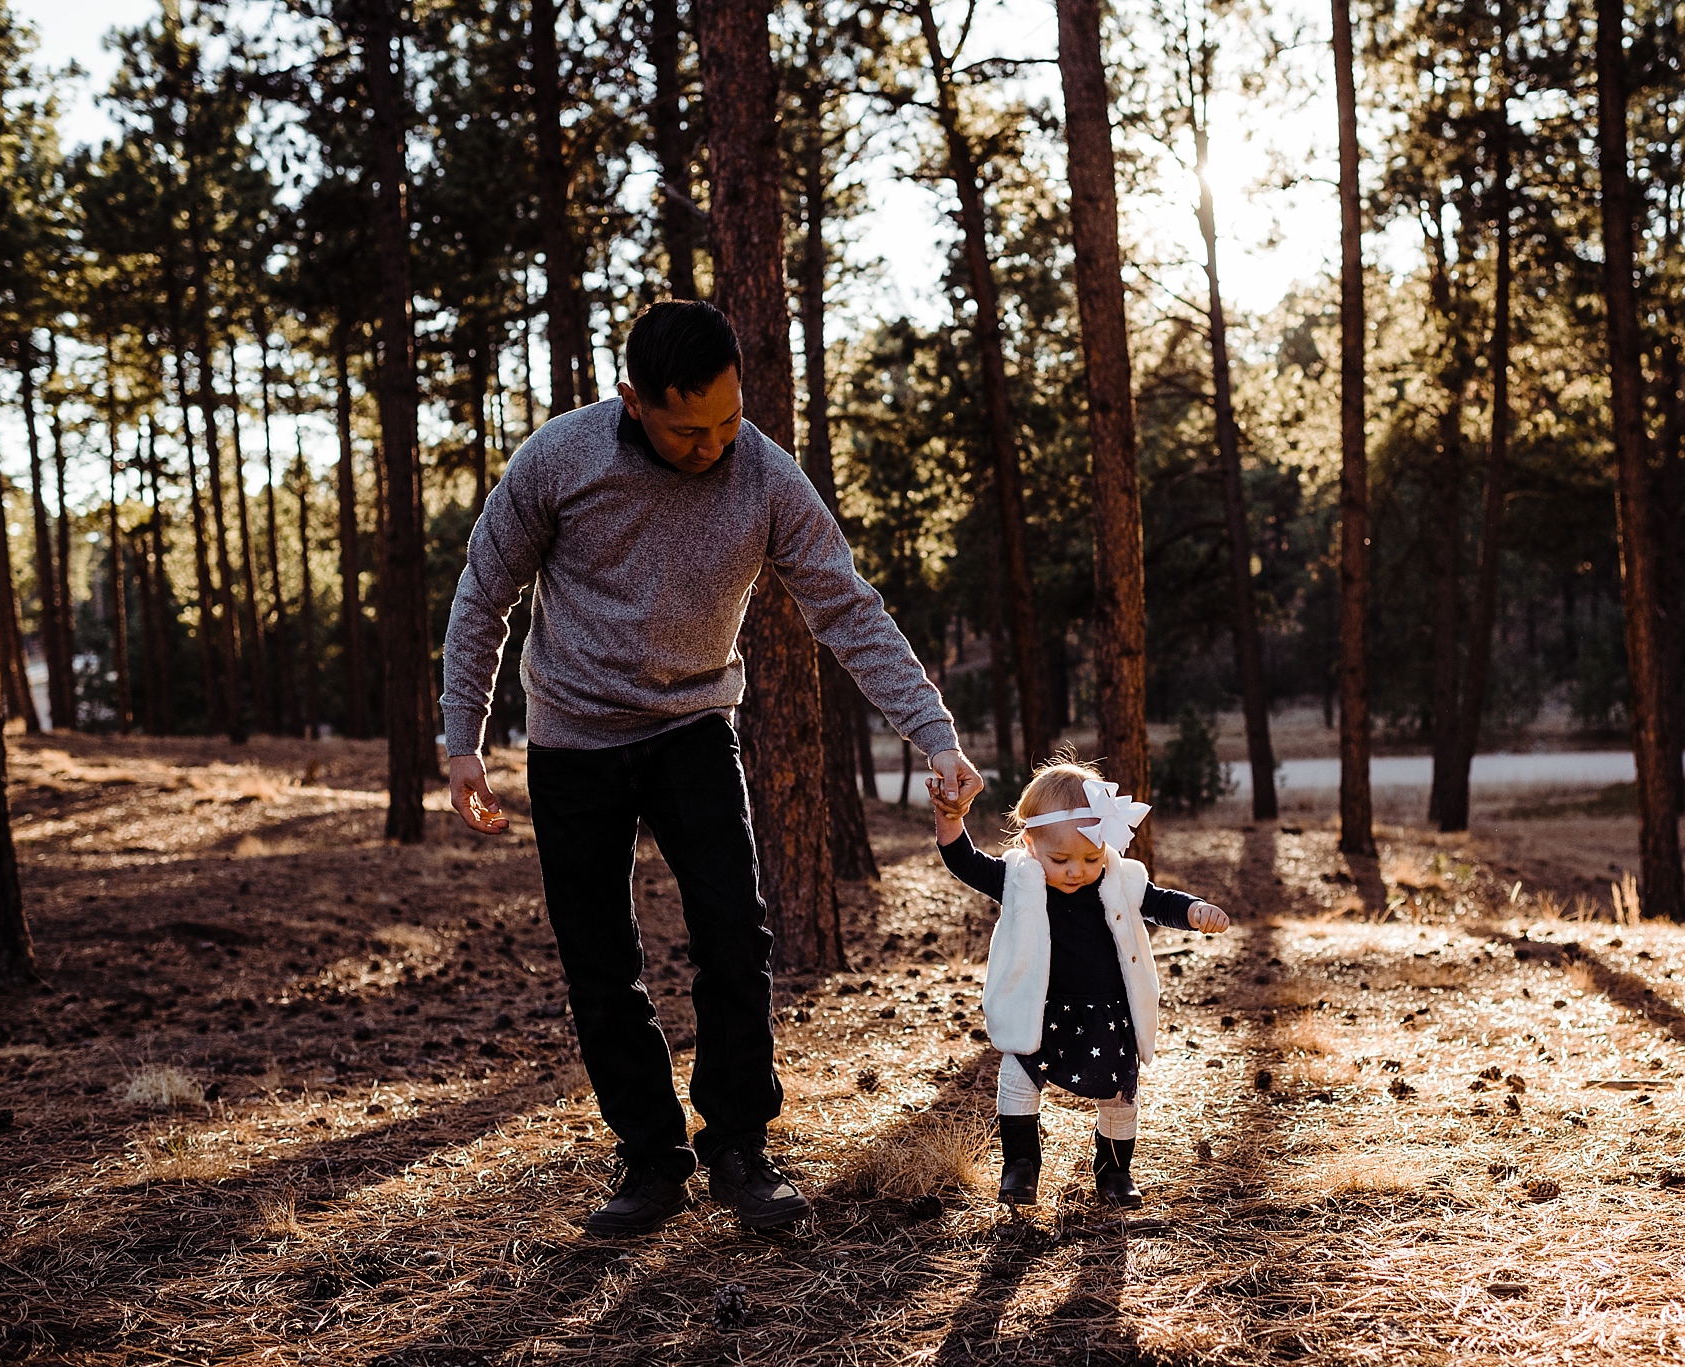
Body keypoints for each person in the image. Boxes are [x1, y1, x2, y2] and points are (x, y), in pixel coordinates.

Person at [439, 300, 984, 1237]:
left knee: (736, 933)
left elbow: (846, 608)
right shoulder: (560, 461)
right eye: (689, 428)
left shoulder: (765, 474)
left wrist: (933, 734)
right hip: (572, 738)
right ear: (632, 403)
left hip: (693, 725)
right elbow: (484, 590)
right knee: (600, 963)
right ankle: (650, 1159)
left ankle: (738, 1143)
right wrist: (463, 740)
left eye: (730, 419)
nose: (715, 444)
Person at [929, 754, 1229, 1209]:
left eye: (1090, 857)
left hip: (1107, 1014)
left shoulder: (1117, 880)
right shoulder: (1017, 880)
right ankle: (1021, 1165)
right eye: (1061, 858)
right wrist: (949, 818)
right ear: (1030, 843)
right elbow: (963, 861)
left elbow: (1159, 902)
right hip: (1042, 1012)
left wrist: (1194, 911)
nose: (1076, 870)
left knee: (1119, 1098)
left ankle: (1113, 1171)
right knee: (1016, 1080)